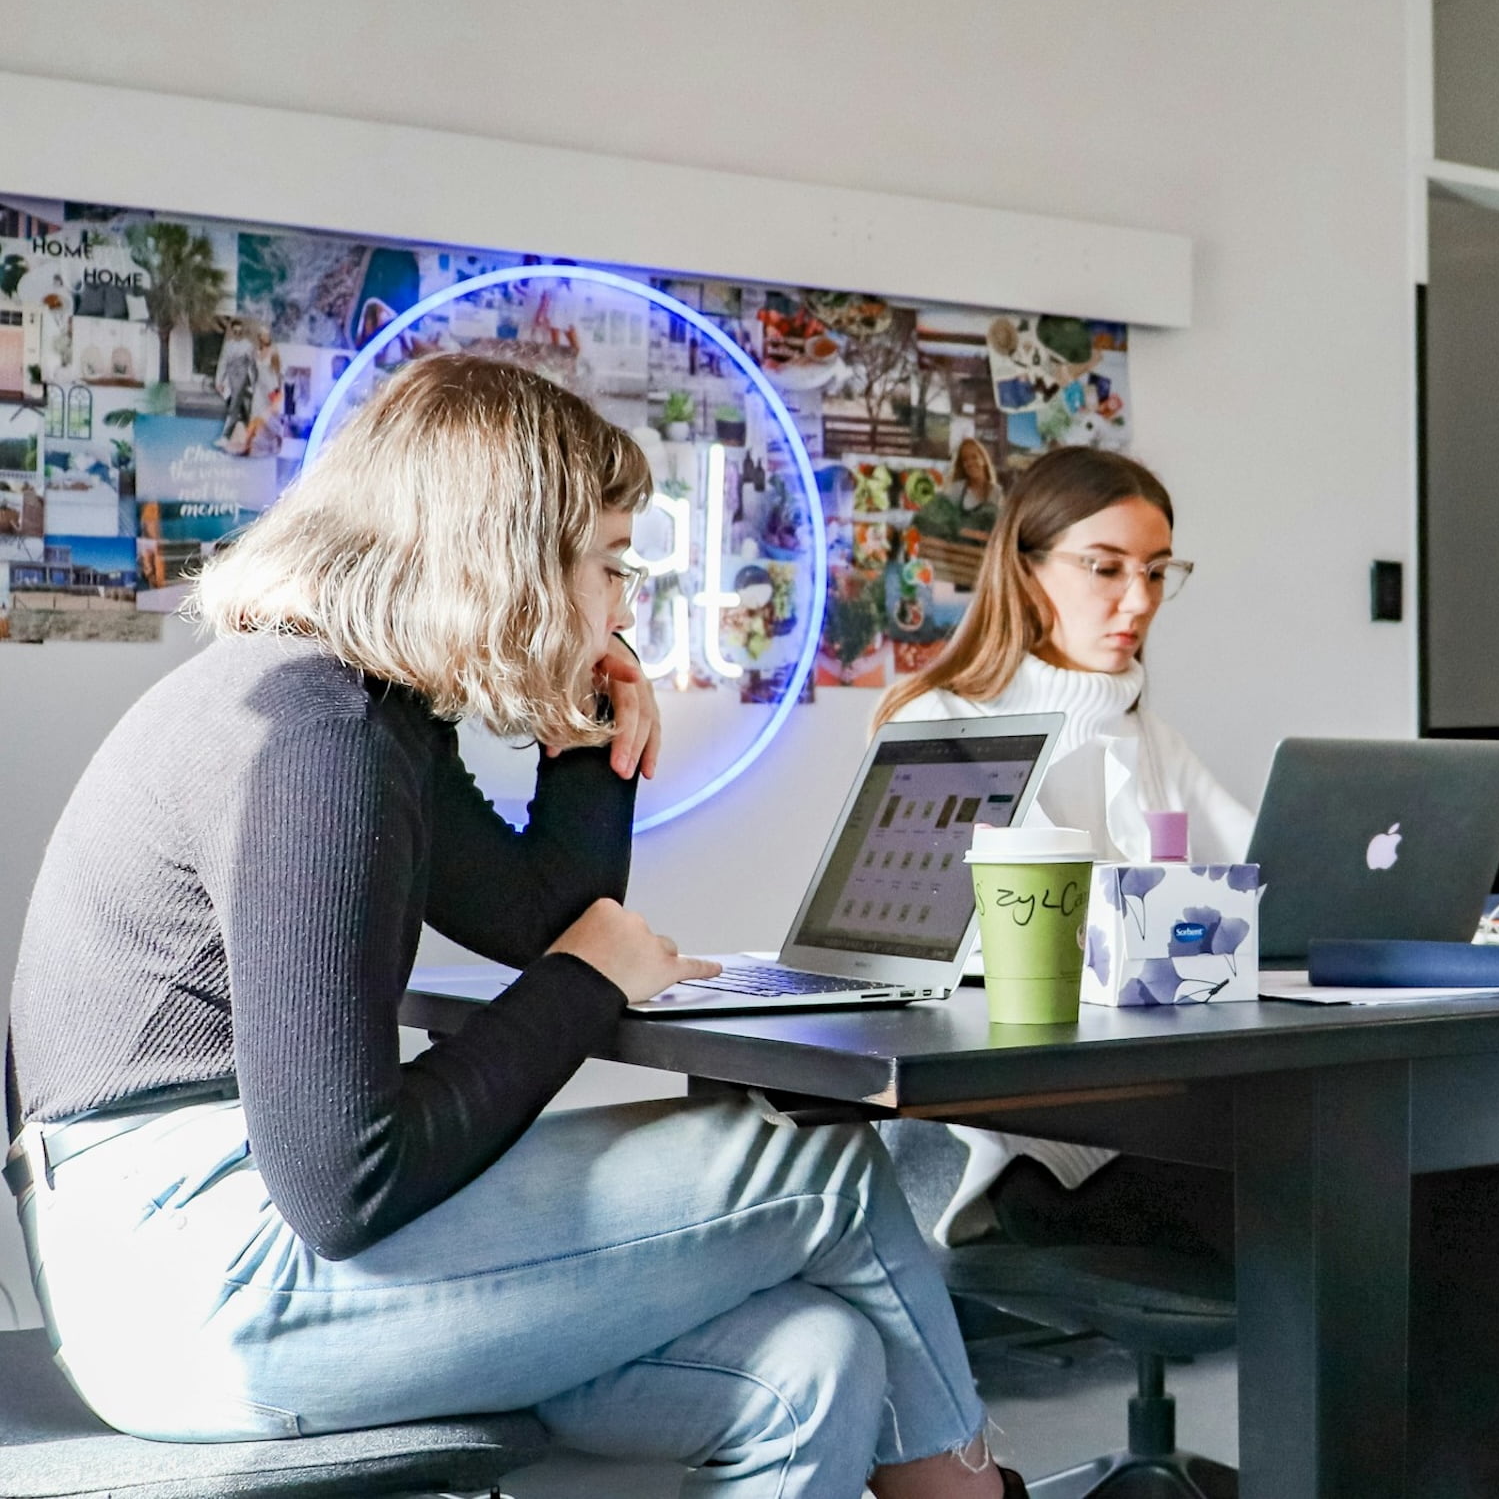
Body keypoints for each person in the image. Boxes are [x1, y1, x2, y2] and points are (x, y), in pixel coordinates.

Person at [6, 355, 1023, 1499]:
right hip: (199, 1282)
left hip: (196, 1268)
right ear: (512, 563)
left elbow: (540, 913)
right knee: (826, 1167)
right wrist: (586, 982)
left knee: (812, 1360)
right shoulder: (316, 735)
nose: (625, 604)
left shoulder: (358, 706)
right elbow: (345, 1180)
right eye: (609, 565)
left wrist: (587, 748)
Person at [873, 446, 1247, 1252]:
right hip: (1026, 1136)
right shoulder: (937, 724)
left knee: (1426, 1175)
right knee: (1353, 1190)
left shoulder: (1146, 733)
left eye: (1156, 572)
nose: (1137, 600)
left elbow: (1262, 875)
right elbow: (989, 950)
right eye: (1106, 568)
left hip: (1160, 1099)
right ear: (1026, 568)